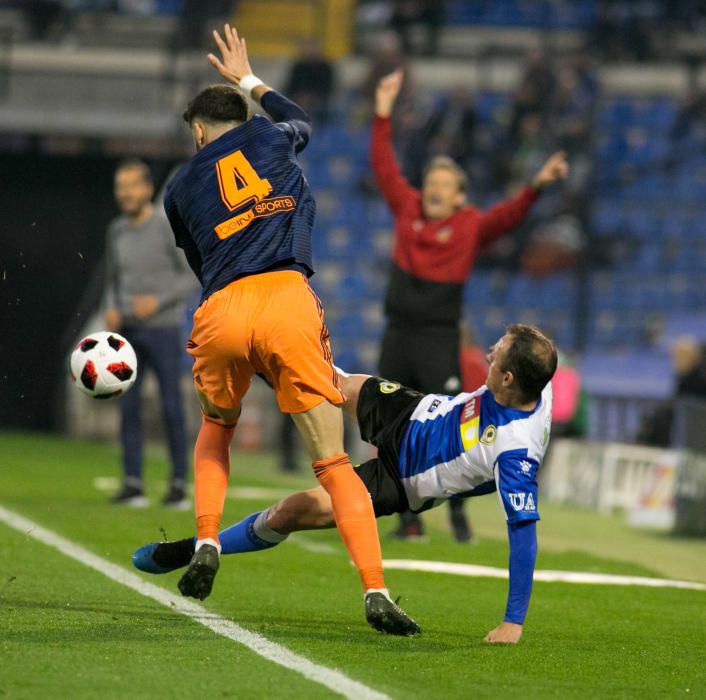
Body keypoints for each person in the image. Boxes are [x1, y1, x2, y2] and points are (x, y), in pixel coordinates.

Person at [161, 24, 416, 635]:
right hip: (286, 297)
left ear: (197, 132)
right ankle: (375, 590)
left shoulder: (178, 188)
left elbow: (200, 264)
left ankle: (206, 541)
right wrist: (248, 78)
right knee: (332, 464)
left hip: (223, 303)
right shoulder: (274, 136)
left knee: (217, 428)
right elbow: (298, 113)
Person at [133, 324, 557, 644]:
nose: (488, 354)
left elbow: (523, 535)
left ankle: (195, 549)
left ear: (509, 379)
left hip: (399, 480)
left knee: (291, 512)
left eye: (496, 355)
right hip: (412, 411)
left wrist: (512, 622)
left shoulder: (516, 452)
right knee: (320, 379)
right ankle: (254, 342)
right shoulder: (537, 377)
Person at [371, 69, 568, 540]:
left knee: (459, 426)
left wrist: (537, 184)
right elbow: (384, 167)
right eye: (430, 180)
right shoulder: (407, 209)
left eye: (444, 182)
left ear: (460, 196)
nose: (434, 187)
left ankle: (458, 516)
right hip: (398, 333)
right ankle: (408, 519)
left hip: (439, 337)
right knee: (391, 428)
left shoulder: (469, 226)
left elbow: (510, 215)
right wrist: (382, 113)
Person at [104, 159, 196, 508]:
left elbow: (189, 276)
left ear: (146, 188)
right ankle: (133, 482)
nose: (124, 193)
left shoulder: (165, 227)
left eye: (130, 186)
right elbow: (113, 280)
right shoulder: (116, 231)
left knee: (172, 406)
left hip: (163, 329)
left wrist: (156, 302)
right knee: (128, 407)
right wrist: (112, 306)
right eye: (119, 187)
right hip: (126, 332)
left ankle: (177, 485)